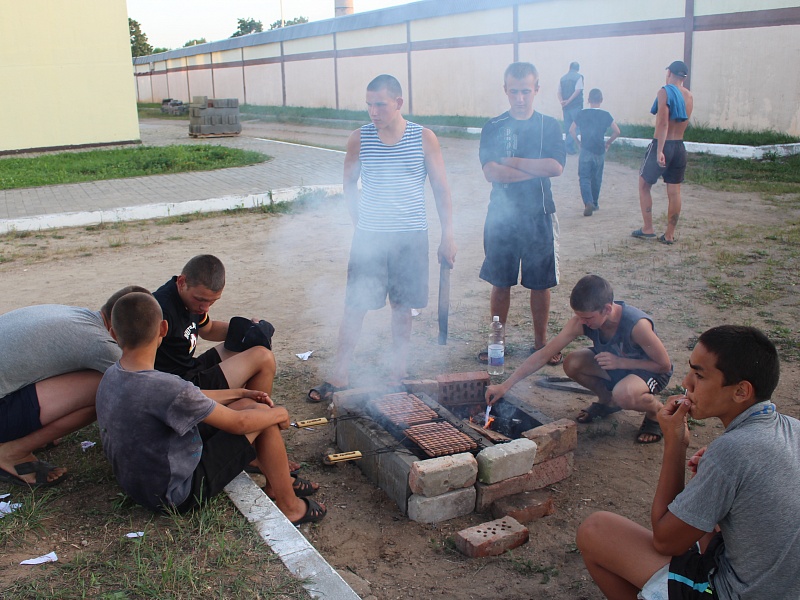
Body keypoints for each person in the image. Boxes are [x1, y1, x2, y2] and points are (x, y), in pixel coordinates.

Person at [576, 325, 800, 599]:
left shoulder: (731, 452)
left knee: (597, 529)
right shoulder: (792, 428)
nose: (686, 383)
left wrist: (676, 444)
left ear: (741, 391)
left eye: (699, 375)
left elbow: (665, 541)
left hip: (736, 592)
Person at [96, 292, 326, 525]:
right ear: (163, 329)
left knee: (249, 405)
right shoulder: (165, 386)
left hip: (139, 483)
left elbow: (190, 398)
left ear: (113, 334)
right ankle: (290, 506)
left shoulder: (112, 375)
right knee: (262, 417)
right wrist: (280, 413)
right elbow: (240, 424)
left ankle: (277, 482)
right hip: (175, 493)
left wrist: (240, 393)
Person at [308, 74, 457, 403]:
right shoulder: (359, 139)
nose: (373, 112)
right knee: (354, 306)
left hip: (411, 237)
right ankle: (340, 373)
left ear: (398, 103)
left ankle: (396, 372)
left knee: (402, 308)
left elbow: (441, 188)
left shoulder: (423, 138)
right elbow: (348, 183)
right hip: (370, 239)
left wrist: (448, 235)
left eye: (380, 104)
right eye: (369, 105)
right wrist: (358, 219)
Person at [485, 275, 672, 444]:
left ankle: (655, 412)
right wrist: (505, 386)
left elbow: (664, 365)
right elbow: (544, 353)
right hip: (615, 366)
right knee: (573, 362)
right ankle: (607, 401)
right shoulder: (582, 320)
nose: (583, 322)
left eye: (588, 318)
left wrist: (622, 363)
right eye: (579, 316)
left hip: (649, 371)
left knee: (624, 393)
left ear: (607, 309)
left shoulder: (636, 325)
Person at [0, 286, 147, 487]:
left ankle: (31, 433)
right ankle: (12, 453)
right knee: (104, 386)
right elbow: (145, 387)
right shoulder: (99, 343)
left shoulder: (79, 316)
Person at [479, 62, 566, 366]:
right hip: (501, 217)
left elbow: (555, 167)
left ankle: (541, 343)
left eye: (525, 91)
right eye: (513, 91)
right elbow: (491, 172)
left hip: (539, 214)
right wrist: (533, 167)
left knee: (540, 283)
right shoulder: (493, 126)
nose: (519, 98)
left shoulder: (549, 126)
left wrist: (514, 161)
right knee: (500, 282)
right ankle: (496, 342)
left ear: (537, 89)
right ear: (505, 90)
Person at [153, 255, 276, 394]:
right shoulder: (159, 311)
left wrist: (249, 330)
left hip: (189, 369)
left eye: (212, 302)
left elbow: (209, 329)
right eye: (200, 299)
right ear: (181, 282)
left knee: (249, 343)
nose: (205, 308)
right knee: (263, 358)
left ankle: (251, 408)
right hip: (178, 388)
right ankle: (255, 411)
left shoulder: (189, 299)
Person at [632, 60, 694, 244]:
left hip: (663, 144)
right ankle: (669, 235)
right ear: (684, 77)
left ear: (669, 73)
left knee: (644, 184)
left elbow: (663, 122)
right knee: (674, 190)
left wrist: (659, 150)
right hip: (679, 145)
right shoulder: (689, 96)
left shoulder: (664, 91)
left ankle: (648, 228)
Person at [570, 88, 621, 216]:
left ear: (588, 100)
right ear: (601, 100)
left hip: (586, 149)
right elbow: (617, 131)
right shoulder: (606, 115)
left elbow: (572, 130)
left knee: (584, 177)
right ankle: (595, 203)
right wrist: (608, 143)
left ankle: (588, 202)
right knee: (596, 178)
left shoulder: (582, 113)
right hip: (600, 150)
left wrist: (578, 142)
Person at [558, 61, 584, 155]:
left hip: (565, 107)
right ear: (577, 69)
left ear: (569, 68)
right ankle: (566, 146)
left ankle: (569, 148)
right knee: (576, 127)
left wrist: (562, 102)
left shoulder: (562, 78)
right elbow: (577, 91)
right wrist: (569, 101)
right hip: (575, 106)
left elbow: (559, 92)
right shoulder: (579, 77)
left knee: (568, 127)